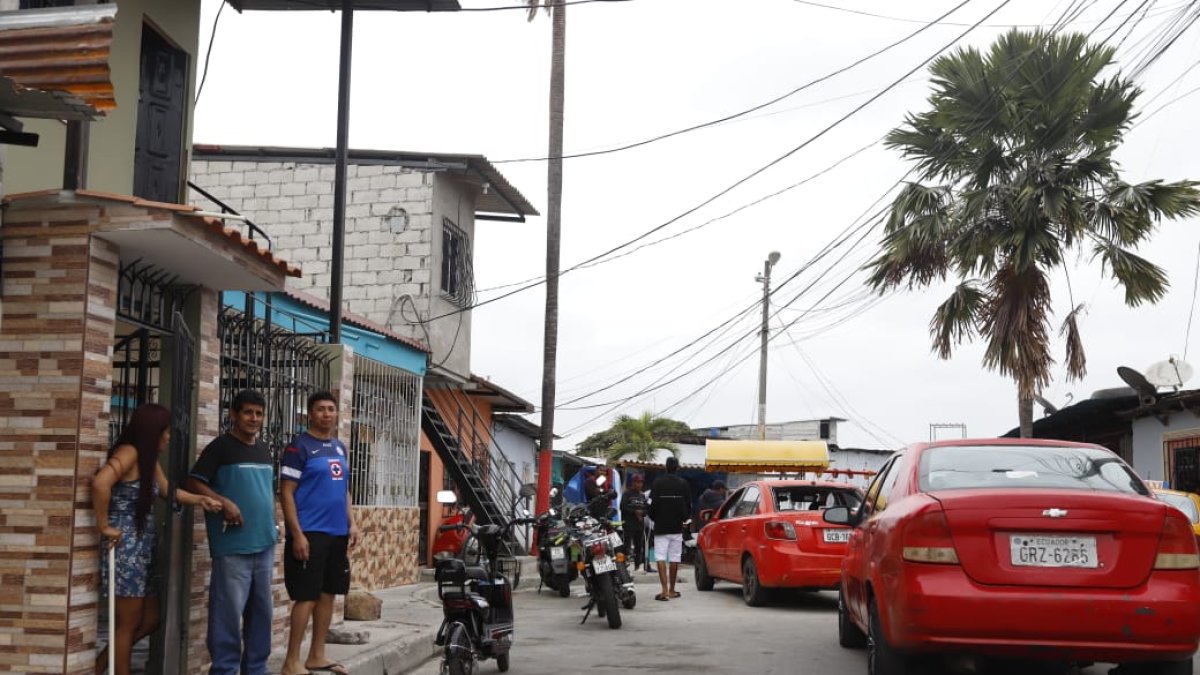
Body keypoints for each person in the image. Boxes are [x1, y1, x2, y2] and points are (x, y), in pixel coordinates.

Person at [91, 404, 223, 675]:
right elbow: (100, 483)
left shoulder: (147, 459)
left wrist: (201, 499)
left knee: (150, 618)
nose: (168, 437)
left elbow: (167, 491)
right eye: (165, 431)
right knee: (128, 622)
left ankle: (101, 664)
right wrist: (104, 526)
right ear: (153, 431)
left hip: (143, 547)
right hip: (126, 547)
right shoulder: (129, 453)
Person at [185, 390, 278, 675]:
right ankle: (224, 669)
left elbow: (266, 493)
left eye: (259, 413)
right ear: (233, 415)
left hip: (264, 544)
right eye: (248, 412)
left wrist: (276, 524)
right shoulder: (220, 448)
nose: (254, 419)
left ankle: (256, 669)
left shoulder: (264, 449)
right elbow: (192, 482)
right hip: (232, 546)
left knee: (261, 614)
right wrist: (223, 502)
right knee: (228, 613)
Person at [279, 391, 361, 675]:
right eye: (320, 409)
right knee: (307, 595)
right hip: (309, 533)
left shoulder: (339, 447)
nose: (327, 414)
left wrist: (352, 523)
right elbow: (286, 493)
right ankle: (291, 662)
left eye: (331, 409)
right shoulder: (298, 448)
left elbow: (344, 490)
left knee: (328, 594)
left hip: (337, 533)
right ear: (310, 414)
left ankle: (317, 655)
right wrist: (297, 534)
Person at [648, 456, 692, 602]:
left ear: (665, 467)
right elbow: (688, 504)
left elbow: (651, 504)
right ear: (677, 468)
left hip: (661, 526)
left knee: (660, 557)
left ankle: (664, 590)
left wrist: (654, 517)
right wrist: (684, 519)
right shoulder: (683, 484)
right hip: (676, 527)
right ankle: (672, 590)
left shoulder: (657, 483)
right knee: (675, 557)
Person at [620, 473, 649, 572]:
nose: (639, 484)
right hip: (628, 524)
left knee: (639, 546)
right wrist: (634, 512)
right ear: (633, 482)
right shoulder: (627, 494)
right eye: (637, 482)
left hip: (639, 525)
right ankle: (623, 565)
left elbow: (646, 509)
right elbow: (622, 507)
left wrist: (642, 513)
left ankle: (637, 566)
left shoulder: (642, 495)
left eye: (641, 482)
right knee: (626, 546)